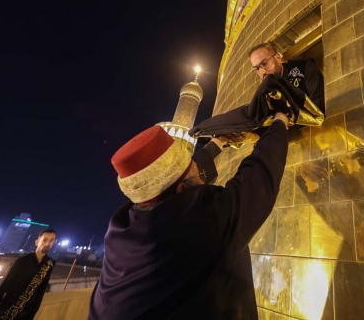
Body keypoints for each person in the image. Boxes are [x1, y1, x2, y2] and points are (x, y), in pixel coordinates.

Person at [89, 111, 290, 320]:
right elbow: (257, 179)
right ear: (183, 189)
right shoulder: (200, 225)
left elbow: (179, 178)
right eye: (200, 175)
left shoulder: (122, 232)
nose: (203, 178)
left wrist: (218, 142)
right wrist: (280, 122)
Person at [0, 229, 57, 320]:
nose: (47, 243)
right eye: (45, 240)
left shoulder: (50, 263)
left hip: (26, 312)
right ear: (37, 242)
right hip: (8, 310)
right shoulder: (21, 261)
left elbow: (41, 290)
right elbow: (2, 287)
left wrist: (33, 312)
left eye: (51, 240)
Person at [249, 42, 325, 114]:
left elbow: (320, 102)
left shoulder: (303, 67)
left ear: (278, 58)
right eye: (257, 68)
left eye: (264, 63)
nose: (262, 72)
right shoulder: (265, 92)